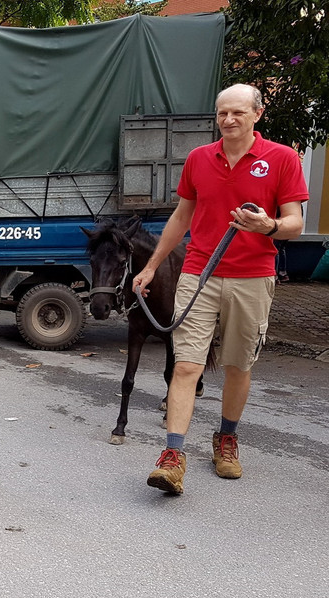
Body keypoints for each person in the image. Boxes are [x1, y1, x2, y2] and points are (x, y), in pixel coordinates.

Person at [133, 84, 308, 494]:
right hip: (199, 274)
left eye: (237, 113)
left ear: (257, 115)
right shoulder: (198, 158)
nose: (228, 120)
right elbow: (181, 217)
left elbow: (295, 222)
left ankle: (226, 438)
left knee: (237, 366)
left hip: (253, 275)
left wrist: (270, 226)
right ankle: (172, 455)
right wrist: (152, 266)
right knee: (187, 365)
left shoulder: (281, 158)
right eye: (222, 113)